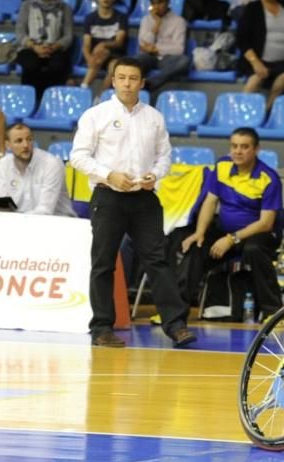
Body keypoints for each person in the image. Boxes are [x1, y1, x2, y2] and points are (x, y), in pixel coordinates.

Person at [70, 57, 196, 349]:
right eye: (121, 78)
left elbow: (165, 156)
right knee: (103, 263)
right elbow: (78, 156)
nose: (127, 83)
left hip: (144, 197)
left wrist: (156, 174)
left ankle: (176, 325)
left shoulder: (154, 117)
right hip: (108, 195)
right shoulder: (95, 115)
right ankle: (102, 328)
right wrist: (109, 175)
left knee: (158, 260)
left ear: (142, 82)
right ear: (113, 81)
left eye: (133, 78)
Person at [179, 127, 283, 321]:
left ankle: (272, 311)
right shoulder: (222, 166)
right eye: (234, 146)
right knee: (196, 246)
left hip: (258, 235)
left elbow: (266, 223)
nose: (238, 151)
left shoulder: (269, 178)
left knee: (254, 250)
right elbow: (210, 201)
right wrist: (200, 232)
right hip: (225, 231)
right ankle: (175, 312)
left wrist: (231, 239)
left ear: (256, 150)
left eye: (244, 147)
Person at [15, 0, 73, 102]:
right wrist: (35, 47)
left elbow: (68, 36)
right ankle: (30, 101)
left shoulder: (65, 8)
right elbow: (20, 33)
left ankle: (51, 101)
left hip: (54, 48)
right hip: (31, 47)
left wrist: (54, 47)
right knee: (30, 65)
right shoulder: (26, 5)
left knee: (57, 66)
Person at [0, 123, 75, 215]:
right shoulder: (2, 165)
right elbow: (0, 204)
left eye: (29, 139)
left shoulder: (51, 164)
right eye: (19, 141)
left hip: (58, 222)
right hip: (18, 222)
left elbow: (45, 210)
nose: (25, 145)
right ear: (7, 145)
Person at [134, 0, 190, 92]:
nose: (157, 6)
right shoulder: (146, 20)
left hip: (168, 59)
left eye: (160, 2)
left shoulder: (179, 21)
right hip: (149, 57)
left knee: (184, 61)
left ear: (168, 2)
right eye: (154, 3)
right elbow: (143, 45)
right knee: (134, 61)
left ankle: (150, 83)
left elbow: (179, 49)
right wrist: (156, 26)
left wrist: (156, 49)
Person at [80, 0, 128, 93]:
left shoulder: (121, 17)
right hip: (96, 56)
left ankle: (100, 96)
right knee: (100, 55)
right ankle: (84, 89)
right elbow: (86, 44)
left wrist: (103, 44)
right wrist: (88, 59)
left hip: (115, 55)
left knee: (114, 66)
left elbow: (119, 42)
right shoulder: (90, 18)